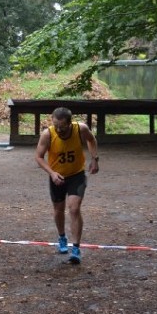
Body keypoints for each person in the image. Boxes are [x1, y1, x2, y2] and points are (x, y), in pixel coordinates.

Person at [34, 107, 99, 265]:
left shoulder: (80, 129)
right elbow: (39, 157)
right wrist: (52, 173)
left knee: (74, 208)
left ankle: (76, 248)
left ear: (70, 123)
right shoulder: (48, 134)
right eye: (55, 125)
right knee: (58, 209)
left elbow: (91, 139)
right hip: (57, 176)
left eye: (62, 127)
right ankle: (62, 236)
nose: (58, 129)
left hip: (76, 175)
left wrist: (95, 158)